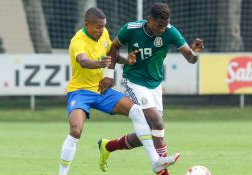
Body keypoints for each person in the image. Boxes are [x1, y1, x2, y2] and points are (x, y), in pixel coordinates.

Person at [58, 7, 180, 175]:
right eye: (97, 27)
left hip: (102, 90)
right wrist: (100, 64)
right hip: (80, 92)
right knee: (76, 131)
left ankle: (156, 162)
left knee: (137, 112)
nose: (101, 31)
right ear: (87, 25)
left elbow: (111, 53)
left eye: (103, 26)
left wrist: (127, 60)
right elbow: (84, 61)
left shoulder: (105, 34)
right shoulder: (77, 41)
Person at [98, 3, 204, 175]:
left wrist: (196, 52)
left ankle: (108, 146)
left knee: (150, 133)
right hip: (133, 81)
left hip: (155, 85)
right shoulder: (131, 29)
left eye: (164, 26)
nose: (162, 30)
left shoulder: (170, 31)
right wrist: (108, 74)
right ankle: (160, 166)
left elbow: (190, 58)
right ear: (149, 20)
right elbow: (114, 47)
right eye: (158, 26)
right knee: (157, 122)